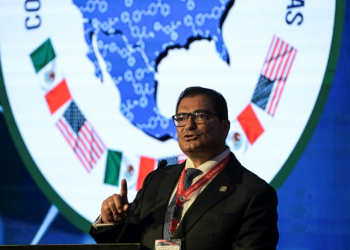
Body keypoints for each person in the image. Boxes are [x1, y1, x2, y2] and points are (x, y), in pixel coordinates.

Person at [90, 86, 279, 250]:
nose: (189, 125)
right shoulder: (157, 180)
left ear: (225, 127)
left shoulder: (253, 193)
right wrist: (111, 221)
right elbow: (125, 242)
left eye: (200, 116)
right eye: (181, 117)